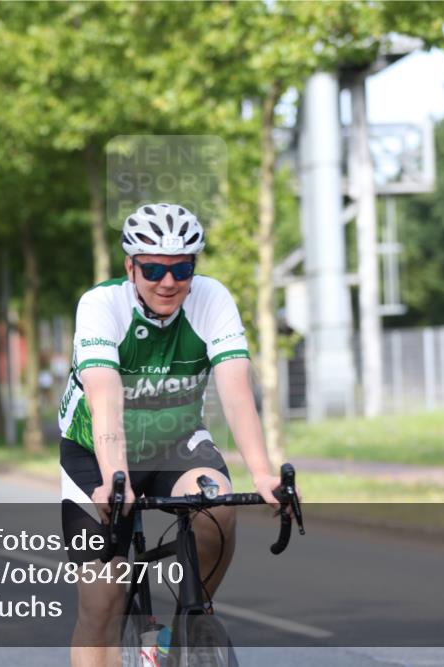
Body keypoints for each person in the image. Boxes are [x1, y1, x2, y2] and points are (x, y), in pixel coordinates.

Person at [59, 203, 289, 666]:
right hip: (95, 451)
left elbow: (236, 390)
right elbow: (105, 398)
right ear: (130, 266)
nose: (168, 281)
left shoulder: (211, 298)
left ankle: (189, 625)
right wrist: (116, 479)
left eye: (182, 268)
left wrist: (263, 474)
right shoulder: (101, 305)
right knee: (102, 603)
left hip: (175, 442)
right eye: (153, 269)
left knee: (217, 507)